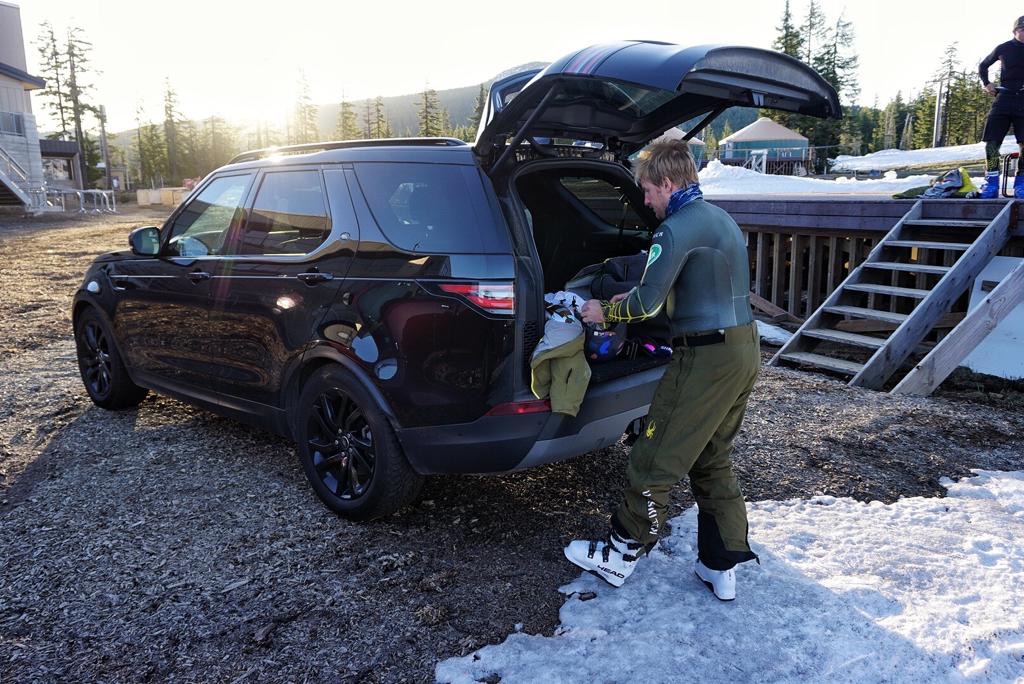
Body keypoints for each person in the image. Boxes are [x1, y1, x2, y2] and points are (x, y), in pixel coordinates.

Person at [563, 139, 760, 600]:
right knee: (710, 456)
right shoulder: (718, 219)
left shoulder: (674, 229)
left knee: (654, 455)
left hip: (706, 357)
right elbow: (694, 289)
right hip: (743, 349)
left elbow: (648, 301)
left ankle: (621, 551)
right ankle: (720, 565)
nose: (646, 200)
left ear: (668, 183)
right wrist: (629, 303)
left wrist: (604, 313)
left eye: (648, 190)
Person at [977, 16, 1024, 199]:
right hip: (1003, 98)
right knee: (992, 143)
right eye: (1022, 29)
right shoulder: (1003, 48)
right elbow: (983, 65)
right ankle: (992, 182)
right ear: (1015, 31)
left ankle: (1021, 182)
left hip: (1023, 101)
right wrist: (987, 83)